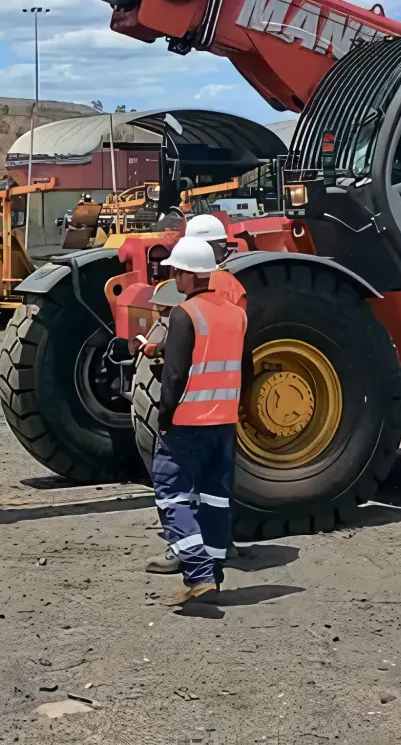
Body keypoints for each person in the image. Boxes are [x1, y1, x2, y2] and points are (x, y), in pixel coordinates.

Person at [135, 237, 245, 606]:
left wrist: (164, 417)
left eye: (174, 272)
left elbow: (175, 374)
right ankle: (212, 575)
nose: (173, 278)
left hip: (187, 423)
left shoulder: (185, 314)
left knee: (171, 497)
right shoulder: (236, 313)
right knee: (216, 500)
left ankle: (198, 574)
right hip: (225, 424)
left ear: (185, 273)